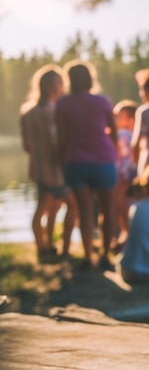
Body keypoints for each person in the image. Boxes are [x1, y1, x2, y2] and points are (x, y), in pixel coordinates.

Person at [55, 60, 118, 271]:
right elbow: (114, 133)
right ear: (90, 79)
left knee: (84, 210)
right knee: (107, 211)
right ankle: (107, 256)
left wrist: (61, 159)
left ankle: (88, 256)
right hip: (103, 160)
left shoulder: (63, 104)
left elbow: (62, 138)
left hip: (75, 161)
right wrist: (115, 153)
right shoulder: (103, 101)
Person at [20, 65, 78, 260]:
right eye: (60, 84)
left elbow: (27, 145)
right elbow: (58, 142)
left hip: (38, 169)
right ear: (54, 86)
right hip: (56, 171)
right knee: (73, 205)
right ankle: (64, 248)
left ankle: (43, 248)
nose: (63, 88)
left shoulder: (28, 112)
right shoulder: (53, 112)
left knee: (46, 208)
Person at [112, 99, 138, 247]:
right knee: (129, 203)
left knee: (120, 203)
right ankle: (129, 234)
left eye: (118, 116)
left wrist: (122, 174)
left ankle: (125, 234)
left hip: (122, 175)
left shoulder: (122, 134)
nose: (115, 120)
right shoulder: (136, 134)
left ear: (130, 119)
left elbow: (123, 158)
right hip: (133, 174)